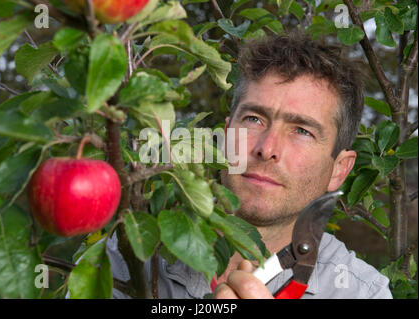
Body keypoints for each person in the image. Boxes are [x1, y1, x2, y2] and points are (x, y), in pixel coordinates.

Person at [106, 32, 392, 299]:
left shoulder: (361, 292)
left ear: (339, 169)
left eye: (302, 131)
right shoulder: (125, 254)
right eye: (254, 119)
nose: (266, 149)